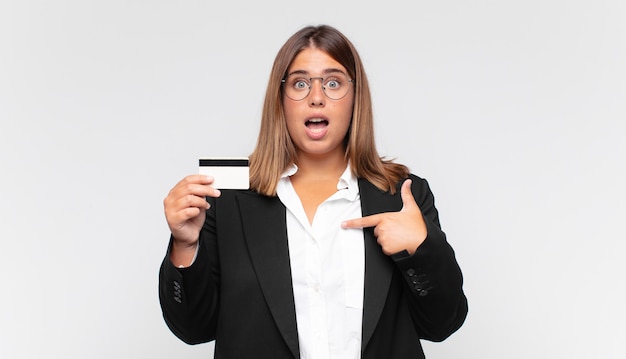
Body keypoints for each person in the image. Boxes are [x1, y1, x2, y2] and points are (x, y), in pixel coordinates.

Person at [159, 24, 467, 359]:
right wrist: (185, 246)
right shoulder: (228, 200)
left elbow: (442, 325)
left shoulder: (402, 195)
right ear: (281, 99)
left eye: (333, 82)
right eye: (300, 83)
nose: (316, 97)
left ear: (355, 96)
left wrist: (419, 250)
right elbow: (192, 329)